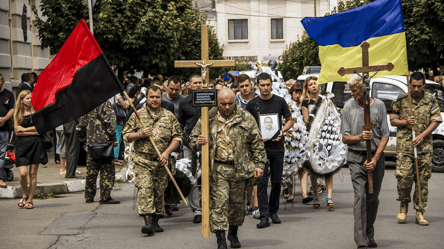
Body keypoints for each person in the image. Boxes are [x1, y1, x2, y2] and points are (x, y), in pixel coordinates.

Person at [190, 89, 266, 249]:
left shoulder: (245, 117)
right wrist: (199, 141)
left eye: (230, 103)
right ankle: (221, 239)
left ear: (235, 101)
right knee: (219, 204)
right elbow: (192, 139)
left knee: (237, 205)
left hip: (240, 169)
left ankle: (233, 232)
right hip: (217, 168)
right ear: (217, 102)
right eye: (223, 104)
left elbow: (257, 142)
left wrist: (259, 164)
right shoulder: (207, 118)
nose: (226, 107)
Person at [122, 85, 182, 235]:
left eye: (157, 97)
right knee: (145, 188)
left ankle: (155, 220)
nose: (155, 100)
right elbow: (126, 135)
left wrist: (167, 153)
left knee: (158, 191)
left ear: (161, 97)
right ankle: (147, 221)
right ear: (146, 98)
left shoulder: (169, 116)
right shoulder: (137, 114)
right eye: (151, 97)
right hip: (143, 161)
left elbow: (178, 137)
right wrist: (140, 134)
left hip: (162, 162)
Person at [341, 74, 389, 248]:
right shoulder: (348, 107)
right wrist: (359, 137)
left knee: (372, 198)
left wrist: (375, 159)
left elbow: (385, 135)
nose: (352, 94)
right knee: (360, 196)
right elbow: (345, 138)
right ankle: (361, 240)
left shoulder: (379, 106)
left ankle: (369, 232)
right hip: (356, 157)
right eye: (351, 91)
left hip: (375, 157)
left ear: (364, 89)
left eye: (354, 91)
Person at [390, 72, 442, 226]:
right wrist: (405, 121)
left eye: (419, 86)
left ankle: (420, 212)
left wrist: (422, 136)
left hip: (424, 147)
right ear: (409, 84)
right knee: (404, 178)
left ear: (423, 85)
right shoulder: (401, 100)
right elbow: (393, 121)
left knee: (422, 180)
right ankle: (403, 207)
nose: (416, 89)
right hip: (405, 147)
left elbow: (436, 120)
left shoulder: (430, 100)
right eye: (414, 86)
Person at [245, 72, 293, 228]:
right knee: (262, 182)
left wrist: (282, 131)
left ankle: (274, 211)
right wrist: (256, 136)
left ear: (271, 84)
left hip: (278, 147)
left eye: (268, 84)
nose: (265, 88)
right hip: (260, 149)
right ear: (257, 85)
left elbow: (290, 120)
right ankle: (264, 215)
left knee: (277, 182)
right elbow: (247, 125)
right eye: (262, 85)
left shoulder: (280, 101)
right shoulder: (252, 104)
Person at [76, 102, 120, 204]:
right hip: (105, 144)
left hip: (92, 145)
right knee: (107, 171)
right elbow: (110, 124)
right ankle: (105, 196)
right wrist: (114, 139)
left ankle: (89, 196)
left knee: (91, 172)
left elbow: (79, 128)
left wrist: (85, 139)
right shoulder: (105, 105)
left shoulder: (87, 106)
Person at [301, 76, 334, 209]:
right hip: (313, 138)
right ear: (307, 88)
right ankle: (315, 196)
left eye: (316, 84)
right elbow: (306, 121)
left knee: (328, 169)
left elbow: (331, 116)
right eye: (311, 84)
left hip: (326, 137)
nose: (314, 86)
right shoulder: (305, 102)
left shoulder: (326, 99)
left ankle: (329, 198)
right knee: (314, 169)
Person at [14, 90, 48, 209]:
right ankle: (24, 194)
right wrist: (31, 131)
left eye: (31, 98)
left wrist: (24, 129)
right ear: (22, 100)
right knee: (23, 174)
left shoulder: (37, 112)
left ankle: (30, 200)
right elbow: (17, 132)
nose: (30, 100)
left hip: (35, 145)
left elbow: (40, 130)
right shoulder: (17, 113)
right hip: (22, 147)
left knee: (32, 174)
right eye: (27, 98)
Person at [178, 73, 204, 223]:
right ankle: (197, 210)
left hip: (208, 144)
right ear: (189, 84)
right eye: (195, 83)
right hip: (190, 146)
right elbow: (181, 123)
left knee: (207, 175)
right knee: (193, 176)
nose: (198, 85)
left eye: (200, 82)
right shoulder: (185, 103)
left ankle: (209, 205)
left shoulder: (211, 100)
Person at [234, 74, 259, 216]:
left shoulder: (258, 99)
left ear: (251, 85)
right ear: (238, 87)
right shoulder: (235, 101)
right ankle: (246, 202)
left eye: (246, 86)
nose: (244, 88)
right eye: (241, 86)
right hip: (240, 142)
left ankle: (256, 205)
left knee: (256, 173)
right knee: (244, 175)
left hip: (256, 140)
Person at [285, 83, 312, 203]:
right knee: (290, 168)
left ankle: (304, 194)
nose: (297, 95)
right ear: (291, 93)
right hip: (290, 139)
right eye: (295, 93)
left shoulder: (303, 105)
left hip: (301, 139)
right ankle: (290, 193)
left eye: (299, 93)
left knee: (303, 167)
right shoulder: (286, 105)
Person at [0, 73, 15, 188]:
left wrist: (4, 119)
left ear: (3, 82)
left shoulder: (8, 94)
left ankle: (0, 178)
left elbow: (12, 109)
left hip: (4, 129)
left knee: (1, 154)